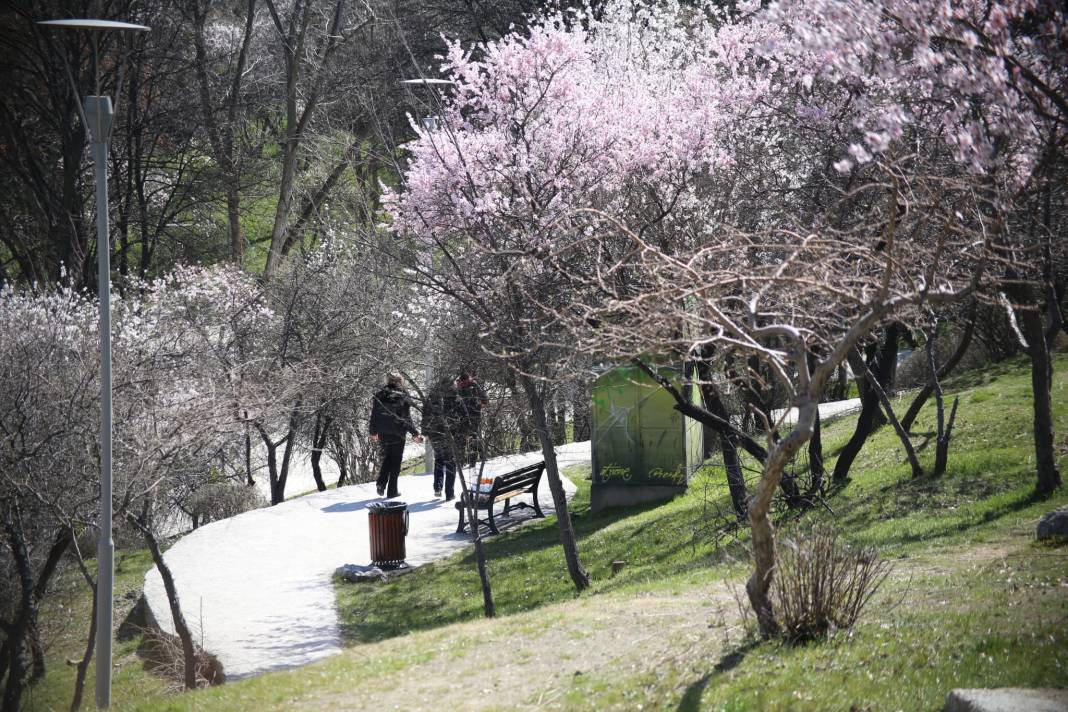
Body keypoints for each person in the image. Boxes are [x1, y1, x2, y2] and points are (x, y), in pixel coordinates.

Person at [369, 373, 422, 498]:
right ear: (400, 381)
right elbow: (406, 418)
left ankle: (381, 483)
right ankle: (392, 491)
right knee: (396, 461)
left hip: (383, 432)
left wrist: (373, 431)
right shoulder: (403, 395)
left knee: (387, 458)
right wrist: (415, 433)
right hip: (398, 433)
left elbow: (374, 415)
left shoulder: (380, 395)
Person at [422, 376, 461, 499]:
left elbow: (425, 415)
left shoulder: (432, 397)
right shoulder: (455, 397)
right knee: (451, 462)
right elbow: (460, 416)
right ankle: (449, 493)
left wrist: (426, 432)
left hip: (435, 434)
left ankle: (438, 487)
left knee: (439, 460)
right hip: (450, 433)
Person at [455, 371, 489, 468]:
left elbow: (484, 398)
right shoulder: (466, 386)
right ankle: (470, 461)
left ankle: (471, 461)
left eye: (461, 381)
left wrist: (478, 406)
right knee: (468, 437)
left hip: (469, 416)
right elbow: (484, 399)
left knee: (469, 437)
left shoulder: (468, 386)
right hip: (468, 415)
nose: (461, 383)